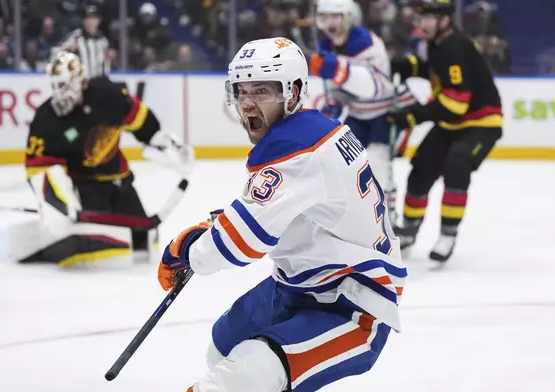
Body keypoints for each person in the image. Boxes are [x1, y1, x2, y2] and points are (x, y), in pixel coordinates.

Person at [157, 37, 406, 392]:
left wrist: (188, 250)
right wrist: (217, 227)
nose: (248, 104)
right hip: (298, 284)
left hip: (351, 303)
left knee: (246, 374)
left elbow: (240, 243)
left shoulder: (296, 148)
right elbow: (294, 210)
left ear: (294, 91)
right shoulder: (312, 129)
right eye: (242, 92)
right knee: (223, 350)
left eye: (262, 91)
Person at [21, 51, 194, 267]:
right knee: (106, 251)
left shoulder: (107, 95)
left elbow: (141, 119)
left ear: (79, 81)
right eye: (55, 85)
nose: (58, 92)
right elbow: (37, 169)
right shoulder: (47, 118)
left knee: (143, 242)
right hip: (87, 187)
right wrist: (59, 200)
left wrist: (162, 142)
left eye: (64, 85)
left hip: (121, 181)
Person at [386, 0, 503, 262]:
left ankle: (448, 233)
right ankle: (409, 229)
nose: (421, 24)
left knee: (457, 163)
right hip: (454, 124)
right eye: (421, 17)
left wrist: (411, 116)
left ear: (445, 21)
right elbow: (437, 73)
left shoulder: (455, 47)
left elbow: (455, 105)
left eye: (428, 18)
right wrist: (409, 66)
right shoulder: (439, 44)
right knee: (422, 166)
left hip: (481, 124)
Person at [309, 0, 416, 224]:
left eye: (336, 17)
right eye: (325, 17)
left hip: (384, 115)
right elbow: (339, 90)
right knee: (340, 164)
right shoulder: (326, 46)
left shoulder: (367, 43)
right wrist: (334, 104)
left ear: (348, 18)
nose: (330, 23)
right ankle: (354, 220)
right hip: (357, 114)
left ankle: (388, 219)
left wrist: (339, 70)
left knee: (377, 166)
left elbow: (377, 87)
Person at [56, 5, 111, 77]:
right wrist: (68, 51)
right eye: (87, 18)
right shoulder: (76, 37)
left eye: (93, 18)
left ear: (98, 21)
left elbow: (107, 62)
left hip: (99, 82)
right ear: (83, 21)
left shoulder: (103, 40)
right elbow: (57, 53)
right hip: (80, 82)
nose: (90, 22)